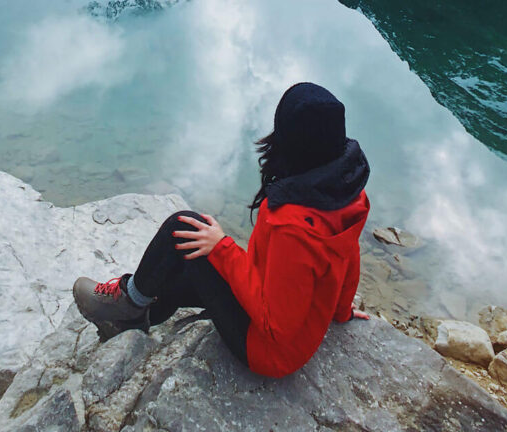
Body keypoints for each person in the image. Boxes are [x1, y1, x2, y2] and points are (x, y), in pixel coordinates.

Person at [73, 81, 370, 378]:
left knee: (184, 228)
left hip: (266, 350)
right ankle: (139, 314)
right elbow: (348, 259)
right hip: (285, 323)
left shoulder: (293, 226)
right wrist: (341, 311)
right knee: (193, 251)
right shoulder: (346, 194)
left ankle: (127, 304)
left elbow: (274, 324)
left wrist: (224, 248)